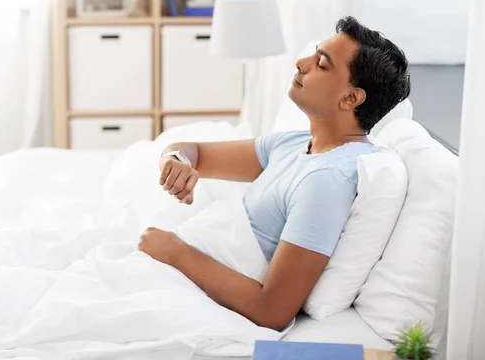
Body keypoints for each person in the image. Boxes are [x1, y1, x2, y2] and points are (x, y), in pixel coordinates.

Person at [138, 16, 410, 331]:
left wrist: (175, 252)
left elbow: (273, 310)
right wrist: (177, 159)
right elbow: (196, 152)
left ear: (351, 98)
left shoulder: (328, 179)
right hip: (170, 272)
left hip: (182, 285)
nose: (301, 62)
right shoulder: (296, 144)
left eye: (321, 64)